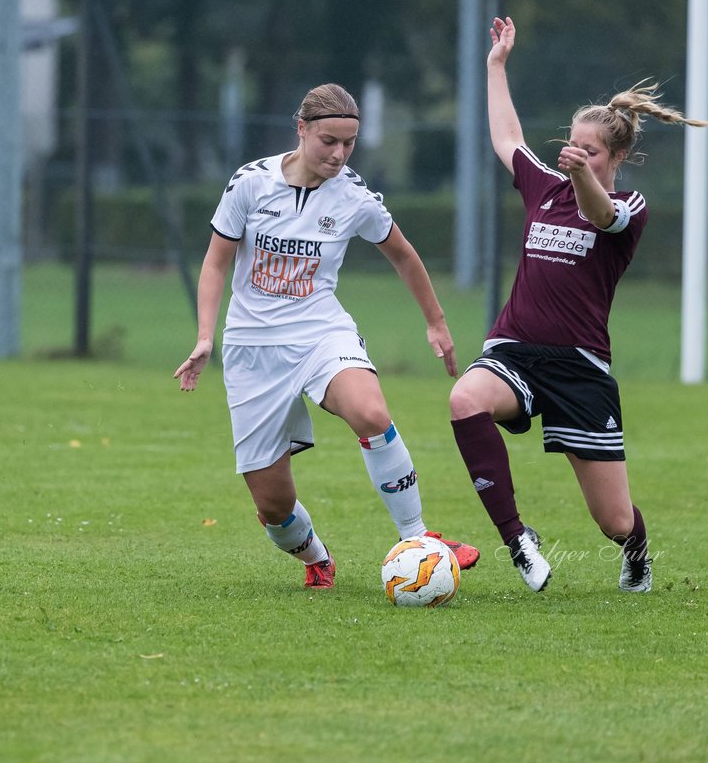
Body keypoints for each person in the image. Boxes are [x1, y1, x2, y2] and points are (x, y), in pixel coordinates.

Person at [175, 83, 480, 590]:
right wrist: (206, 336)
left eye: (350, 143)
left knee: (370, 412)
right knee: (274, 509)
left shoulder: (354, 195)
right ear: (301, 129)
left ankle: (419, 539)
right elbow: (215, 260)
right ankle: (316, 557)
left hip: (321, 331)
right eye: (328, 141)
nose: (339, 154)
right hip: (252, 349)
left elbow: (403, 254)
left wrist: (437, 321)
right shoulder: (250, 183)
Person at [449, 17, 708, 594]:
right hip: (515, 351)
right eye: (572, 144)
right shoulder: (546, 186)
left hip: (580, 369)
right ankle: (518, 541)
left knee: (613, 521)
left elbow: (599, 215)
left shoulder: (628, 204)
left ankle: (637, 552)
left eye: (590, 151)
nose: (576, 155)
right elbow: (505, 138)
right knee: (464, 399)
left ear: (616, 155)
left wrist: (581, 177)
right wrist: (496, 66)